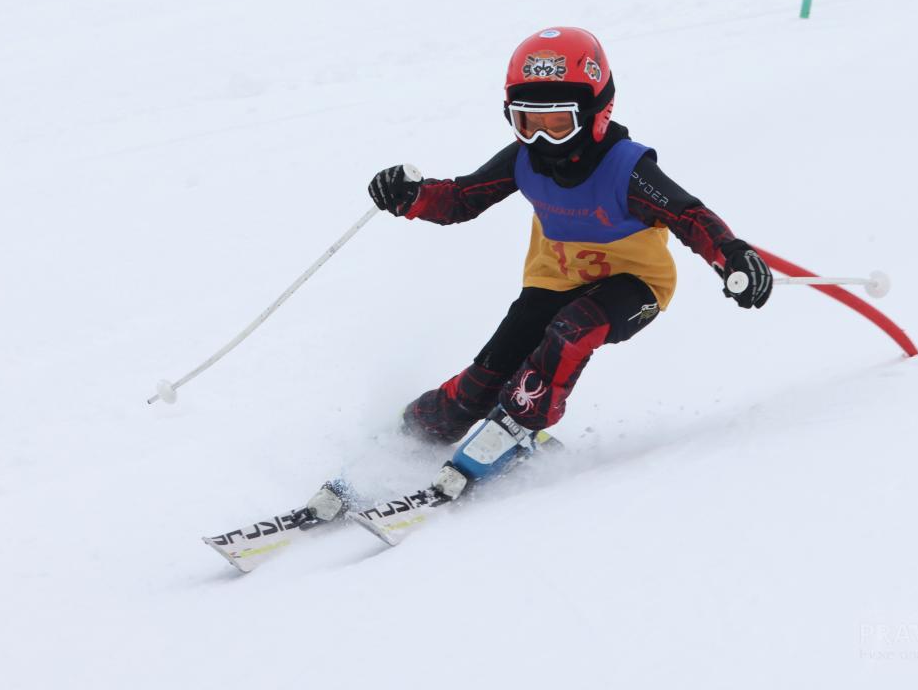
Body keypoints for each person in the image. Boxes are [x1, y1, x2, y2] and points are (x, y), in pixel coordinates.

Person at [312, 27, 773, 518]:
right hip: (551, 282)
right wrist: (413, 196)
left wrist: (731, 256)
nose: (539, 137)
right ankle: (413, 432)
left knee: (572, 331)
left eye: (557, 123)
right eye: (526, 120)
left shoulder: (626, 168)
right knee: (482, 382)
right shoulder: (524, 159)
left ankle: (516, 428)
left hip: (634, 287)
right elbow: (463, 199)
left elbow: (688, 216)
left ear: (598, 113)